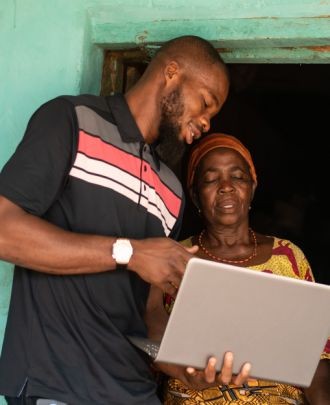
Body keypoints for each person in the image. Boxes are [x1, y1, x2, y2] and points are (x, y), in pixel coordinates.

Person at [0, 36, 230, 405]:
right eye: (205, 103)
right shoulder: (72, 120)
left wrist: (189, 367)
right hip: (61, 386)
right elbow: (4, 231)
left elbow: (149, 313)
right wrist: (129, 252)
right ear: (171, 73)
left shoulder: (171, 190)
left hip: (134, 392)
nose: (205, 122)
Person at [145, 133, 330, 404]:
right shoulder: (173, 257)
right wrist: (177, 366)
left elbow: (315, 360)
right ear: (195, 196)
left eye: (238, 177)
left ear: (252, 187)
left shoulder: (289, 256)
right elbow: (148, 339)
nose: (226, 187)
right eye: (210, 179)